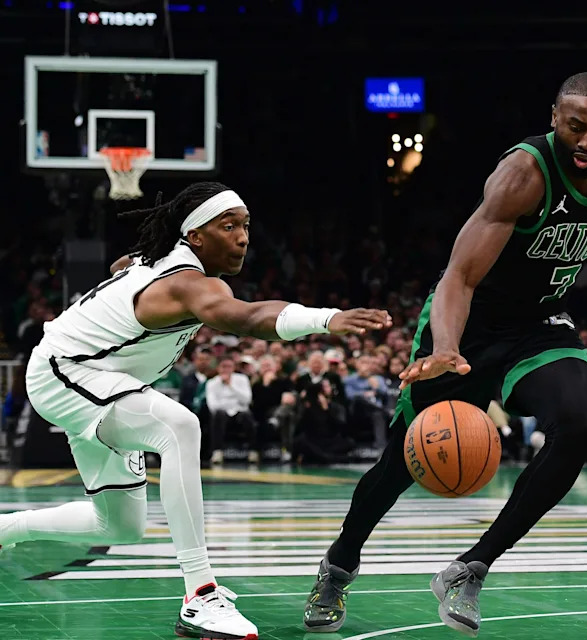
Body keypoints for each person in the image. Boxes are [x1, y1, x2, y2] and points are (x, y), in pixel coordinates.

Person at [302, 72, 587, 635]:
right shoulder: (524, 174)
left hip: (538, 326)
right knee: (399, 467)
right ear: (554, 118)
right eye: (575, 128)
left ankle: (472, 567)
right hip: (470, 327)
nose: (586, 142)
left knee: (583, 424)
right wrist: (444, 349)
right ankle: (338, 566)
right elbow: (459, 278)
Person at [2, 182, 390, 640]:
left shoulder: (165, 266)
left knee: (120, 525)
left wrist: (128, 275)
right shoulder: (187, 282)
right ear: (195, 237)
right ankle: (200, 595)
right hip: (63, 373)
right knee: (178, 425)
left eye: (245, 225)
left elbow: (122, 267)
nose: (243, 236)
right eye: (228, 226)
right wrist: (325, 318)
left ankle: (6, 528)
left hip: (101, 379)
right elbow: (248, 318)